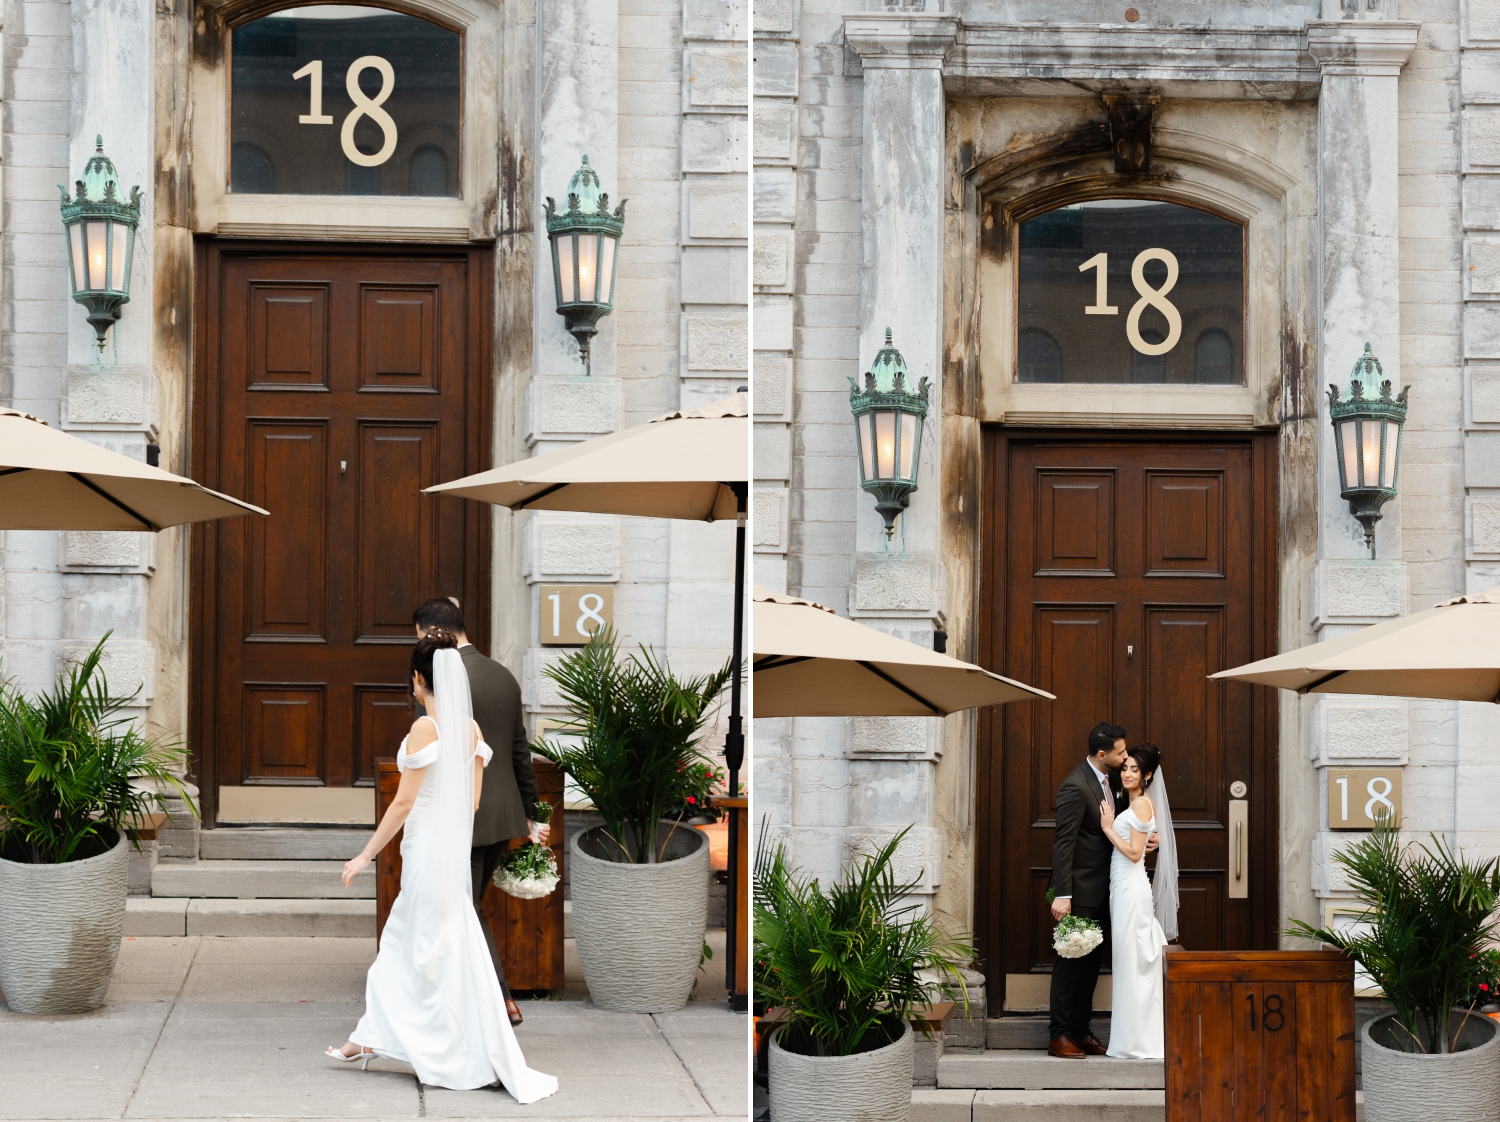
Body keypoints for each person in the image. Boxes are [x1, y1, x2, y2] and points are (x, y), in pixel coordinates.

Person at [324, 629, 557, 1100]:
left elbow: (403, 804)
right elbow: (470, 804)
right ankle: (370, 1036)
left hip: (427, 848)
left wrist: (365, 854)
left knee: (414, 942)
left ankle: (384, 1039)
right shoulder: (470, 730)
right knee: (427, 942)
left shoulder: (424, 729)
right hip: (449, 848)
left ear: (417, 679)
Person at [412, 597, 544, 1028]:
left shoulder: (439, 676)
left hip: (461, 815)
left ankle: (500, 999)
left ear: (432, 632)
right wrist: (532, 811)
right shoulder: (503, 675)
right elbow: (519, 749)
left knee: (462, 910)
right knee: (465, 906)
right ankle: (464, 999)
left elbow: (435, 752)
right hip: (502, 815)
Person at [1046, 722, 1129, 1059]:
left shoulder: (1110, 783)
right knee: (1070, 966)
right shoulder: (1075, 786)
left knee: (1091, 967)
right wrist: (1063, 894)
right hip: (1077, 893)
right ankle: (1058, 1035)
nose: (1125, 756)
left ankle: (1080, 1031)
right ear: (1101, 754)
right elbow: (1063, 844)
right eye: (1120, 752)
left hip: (1102, 891)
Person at [1098, 743, 1175, 1060]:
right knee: (1128, 963)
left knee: (1134, 964)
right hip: (1123, 889)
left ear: (1148, 775)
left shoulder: (1142, 805)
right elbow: (1142, 843)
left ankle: (1140, 1042)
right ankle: (1132, 1038)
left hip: (1131, 888)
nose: (1127, 773)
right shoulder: (1129, 802)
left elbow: (1132, 853)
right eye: (1125, 767)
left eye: (1134, 769)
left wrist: (1107, 828)